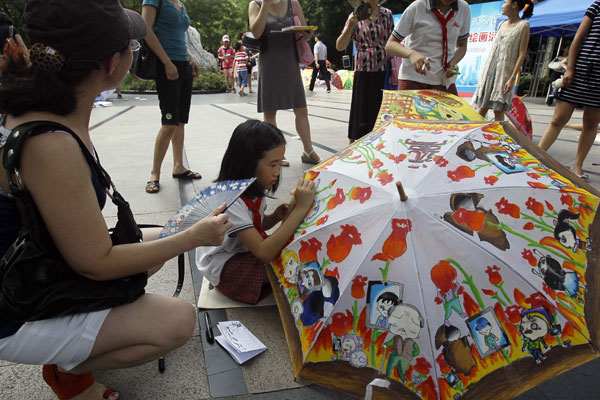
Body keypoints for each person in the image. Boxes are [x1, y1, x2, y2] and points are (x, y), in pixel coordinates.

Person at [0, 1, 231, 399]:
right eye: (132, 47)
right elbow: (96, 264)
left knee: (156, 243)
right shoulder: (50, 144)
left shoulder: (36, 109)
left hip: (32, 262)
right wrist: (192, 238)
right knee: (178, 321)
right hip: (13, 305)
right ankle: (68, 371)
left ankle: (73, 347)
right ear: (112, 64)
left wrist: (172, 232)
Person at [196, 120, 316, 304]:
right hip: (225, 266)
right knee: (292, 268)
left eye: (280, 164)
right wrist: (300, 209)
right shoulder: (231, 201)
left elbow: (252, 223)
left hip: (242, 251)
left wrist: (273, 218)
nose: (277, 172)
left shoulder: (252, 188)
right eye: (273, 164)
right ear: (247, 163)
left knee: (294, 256)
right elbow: (263, 252)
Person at [248, 0, 321, 165]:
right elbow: (256, 32)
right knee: (270, 111)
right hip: (269, 61)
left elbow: (304, 29)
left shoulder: (293, 3)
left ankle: (308, 150)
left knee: (301, 108)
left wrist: (306, 33)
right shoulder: (256, 4)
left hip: (290, 60)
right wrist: (266, 5)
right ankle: (276, 153)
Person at [142, 0, 202, 194]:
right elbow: (146, 30)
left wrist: (190, 57)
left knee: (180, 122)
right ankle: (154, 174)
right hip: (166, 65)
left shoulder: (180, 3)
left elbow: (178, 35)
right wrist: (167, 62)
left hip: (183, 63)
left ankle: (179, 166)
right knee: (169, 123)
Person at [538, 0, 600, 180]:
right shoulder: (597, 5)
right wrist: (570, 68)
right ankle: (537, 156)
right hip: (580, 70)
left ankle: (578, 165)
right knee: (558, 119)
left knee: (591, 124)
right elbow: (578, 38)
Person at [385, 0, 471, 96]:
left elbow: (462, 45)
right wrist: (411, 54)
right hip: (413, 80)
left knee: (453, 111)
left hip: (444, 81)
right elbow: (390, 44)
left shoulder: (463, 9)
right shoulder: (418, 6)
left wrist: (453, 63)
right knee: (410, 111)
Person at [337, 0, 394, 143]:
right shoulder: (355, 15)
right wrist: (350, 26)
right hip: (363, 68)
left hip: (383, 69)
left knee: (379, 108)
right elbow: (340, 45)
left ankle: (379, 142)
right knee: (360, 109)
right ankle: (354, 144)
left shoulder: (387, 14)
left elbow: (394, 41)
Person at [473, 0, 533, 121]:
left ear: (514, 4)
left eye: (505, 2)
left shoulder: (523, 25)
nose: (502, 5)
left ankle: (500, 138)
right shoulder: (502, 24)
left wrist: (512, 78)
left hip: (504, 74)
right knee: (482, 108)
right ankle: (473, 136)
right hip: (490, 71)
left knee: (498, 110)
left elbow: (521, 54)